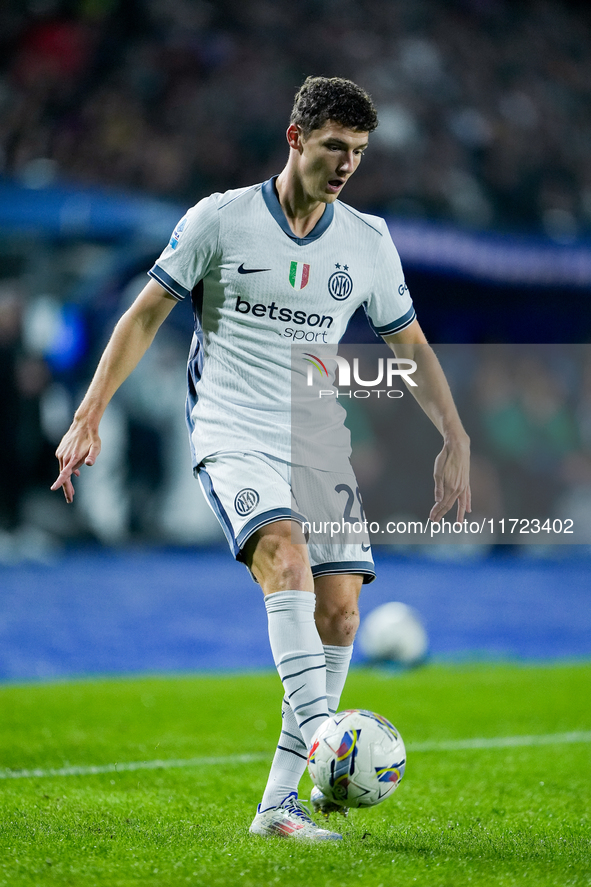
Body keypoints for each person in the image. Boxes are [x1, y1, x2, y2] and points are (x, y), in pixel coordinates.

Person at [52, 76, 470, 841]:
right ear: (295, 138)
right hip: (231, 428)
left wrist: (454, 434)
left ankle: (280, 806)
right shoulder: (220, 219)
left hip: (316, 439)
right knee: (284, 553)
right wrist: (88, 413)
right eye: (334, 147)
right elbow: (144, 313)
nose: (346, 164)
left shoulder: (367, 242)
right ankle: (328, 743)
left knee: (340, 608)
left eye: (359, 152)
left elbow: (406, 342)